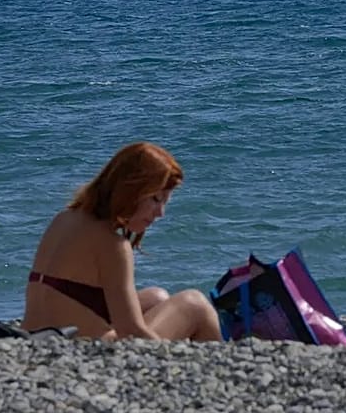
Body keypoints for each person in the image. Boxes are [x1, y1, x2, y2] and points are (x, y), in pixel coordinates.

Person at [22, 142, 223, 341]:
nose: (161, 213)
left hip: (35, 338)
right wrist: (167, 352)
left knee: (157, 296)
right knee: (194, 303)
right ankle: (220, 367)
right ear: (131, 190)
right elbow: (130, 332)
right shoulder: (112, 244)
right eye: (155, 199)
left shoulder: (65, 218)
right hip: (83, 348)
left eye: (164, 202)